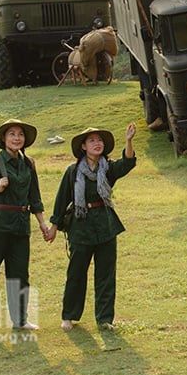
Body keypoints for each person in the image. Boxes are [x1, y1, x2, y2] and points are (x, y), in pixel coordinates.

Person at [44, 123, 137, 331]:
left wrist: (129, 141)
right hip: (81, 225)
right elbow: (61, 201)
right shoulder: (73, 171)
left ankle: (105, 319)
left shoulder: (108, 168)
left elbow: (128, 163)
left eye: (99, 140)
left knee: (106, 274)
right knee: (76, 272)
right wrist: (53, 227)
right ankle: (69, 316)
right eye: (92, 141)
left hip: (106, 224)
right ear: (83, 147)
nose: (97, 144)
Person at [0, 118, 51, 330]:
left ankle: (20, 320)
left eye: (20, 134)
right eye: (12, 134)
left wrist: (42, 224)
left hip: (21, 225)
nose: (16, 138)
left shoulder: (28, 164)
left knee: (20, 273)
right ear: (3, 138)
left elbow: (35, 196)